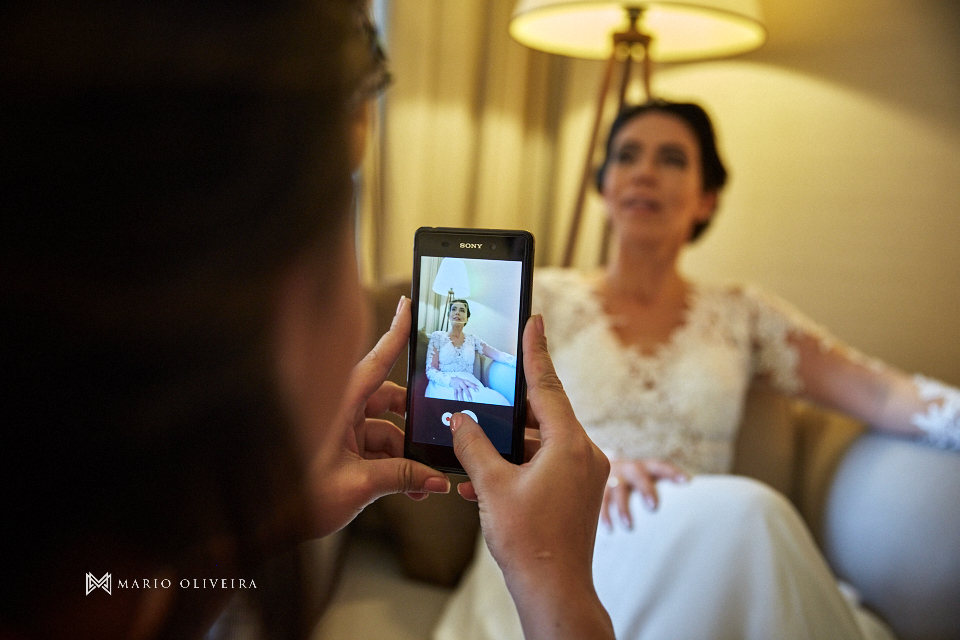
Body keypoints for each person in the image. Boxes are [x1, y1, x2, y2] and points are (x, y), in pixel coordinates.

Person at [0, 2, 614, 640]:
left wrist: (266, 523)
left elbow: (139, 588)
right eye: (341, 209)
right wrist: (555, 581)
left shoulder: (97, 582)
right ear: (274, 289)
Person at [434, 100, 960, 640]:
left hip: (705, 531)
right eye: (627, 156)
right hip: (571, 530)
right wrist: (592, 461)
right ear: (604, 185)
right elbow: (474, 416)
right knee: (754, 512)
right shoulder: (539, 296)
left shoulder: (744, 313)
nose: (644, 171)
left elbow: (878, 393)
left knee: (747, 519)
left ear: (706, 199)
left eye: (671, 159)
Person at [425, 299, 518, 404]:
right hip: (444, 385)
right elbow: (430, 370)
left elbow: (497, 355)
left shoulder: (472, 339)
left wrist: (520, 363)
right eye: (454, 309)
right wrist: (452, 381)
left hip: (470, 384)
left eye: (462, 310)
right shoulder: (437, 337)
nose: (457, 312)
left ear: (467, 318)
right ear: (448, 315)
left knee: (500, 402)